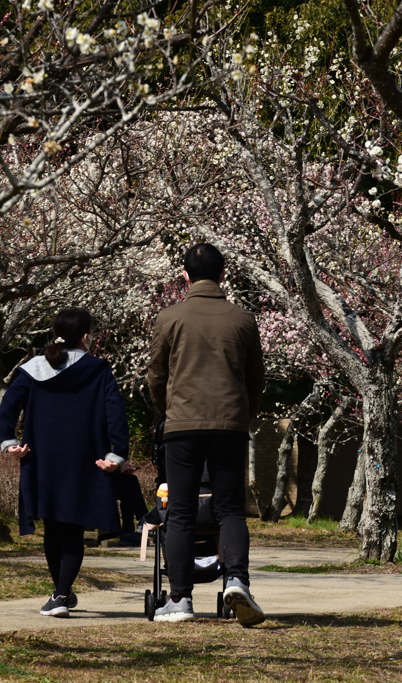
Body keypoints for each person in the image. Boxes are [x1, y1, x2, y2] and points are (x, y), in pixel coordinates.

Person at [147, 243, 267, 626]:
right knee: (230, 509)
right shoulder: (243, 320)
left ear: (184, 276)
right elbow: (256, 379)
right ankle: (237, 580)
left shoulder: (169, 318)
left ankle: (180, 599)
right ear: (223, 274)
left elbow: (156, 376)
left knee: (181, 511)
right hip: (230, 425)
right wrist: (242, 415)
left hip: (181, 425)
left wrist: (168, 412)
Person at [0, 308, 129, 618]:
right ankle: (61, 593)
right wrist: (116, 454)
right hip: (84, 459)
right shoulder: (98, 370)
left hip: (42, 458)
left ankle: (61, 594)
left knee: (53, 526)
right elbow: (115, 413)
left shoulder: (34, 368)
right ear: (86, 336)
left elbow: (8, 405)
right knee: (72, 527)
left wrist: (10, 442)